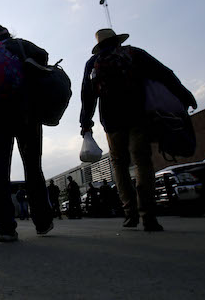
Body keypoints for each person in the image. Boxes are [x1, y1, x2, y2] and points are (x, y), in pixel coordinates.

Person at [80, 28, 197, 231]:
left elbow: (87, 96)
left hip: (111, 123)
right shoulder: (133, 54)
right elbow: (164, 73)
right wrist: (185, 95)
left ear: (99, 46)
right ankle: (148, 215)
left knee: (119, 165)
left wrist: (86, 123)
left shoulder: (92, 64)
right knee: (143, 163)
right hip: (138, 117)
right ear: (117, 41)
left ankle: (130, 214)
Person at [0, 25, 54, 242]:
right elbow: (43, 56)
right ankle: (42, 221)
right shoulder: (19, 45)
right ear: (9, 36)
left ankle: (5, 227)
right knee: (33, 165)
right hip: (24, 111)